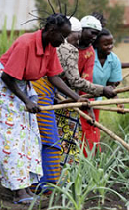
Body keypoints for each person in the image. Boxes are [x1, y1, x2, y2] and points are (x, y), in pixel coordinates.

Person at [29, 15, 92, 195]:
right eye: (64, 36)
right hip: (36, 96)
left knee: (51, 141)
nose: (65, 41)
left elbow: (54, 76)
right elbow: (70, 79)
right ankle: (42, 185)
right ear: (52, 31)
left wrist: (74, 98)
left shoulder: (51, 48)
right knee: (49, 141)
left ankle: (48, 184)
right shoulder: (29, 43)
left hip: (49, 95)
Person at [56, 16, 116, 163]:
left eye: (97, 34)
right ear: (80, 30)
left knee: (71, 135)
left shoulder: (89, 52)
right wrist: (102, 90)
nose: (94, 38)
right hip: (55, 93)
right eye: (92, 33)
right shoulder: (63, 45)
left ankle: (69, 170)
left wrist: (87, 104)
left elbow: (85, 79)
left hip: (73, 96)